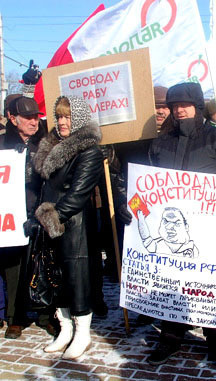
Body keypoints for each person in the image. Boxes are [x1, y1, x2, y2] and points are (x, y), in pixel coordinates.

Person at [147, 82, 216, 370]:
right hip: (168, 226)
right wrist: (132, 210)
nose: (179, 111)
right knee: (168, 281)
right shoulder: (160, 141)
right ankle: (170, 336)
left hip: (208, 226)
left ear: (198, 107)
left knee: (208, 286)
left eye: (185, 105)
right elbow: (146, 185)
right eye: (174, 106)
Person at [25, 95, 104, 359]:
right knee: (57, 278)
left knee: (77, 277)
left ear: (79, 119)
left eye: (68, 117)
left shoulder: (89, 151)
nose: (62, 122)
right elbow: (45, 188)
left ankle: (82, 332)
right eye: (59, 116)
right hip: (52, 226)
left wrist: (49, 217)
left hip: (75, 226)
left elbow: (78, 194)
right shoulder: (51, 149)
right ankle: (65, 329)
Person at [0, 96, 49, 339]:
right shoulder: (1, 144)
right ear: (12, 118)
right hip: (10, 217)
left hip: (39, 213)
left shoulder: (44, 144)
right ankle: (15, 317)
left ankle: (45, 315)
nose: (34, 122)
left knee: (43, 266)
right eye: (29, 117)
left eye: (36, 117)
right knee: (13, 269)